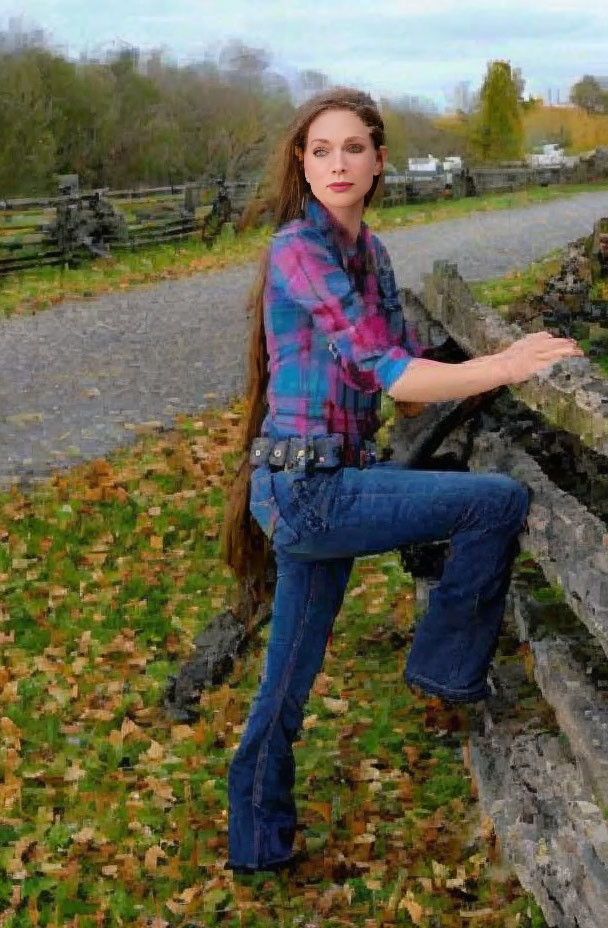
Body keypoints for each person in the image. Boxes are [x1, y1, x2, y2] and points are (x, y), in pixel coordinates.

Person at [219, 87, 584, 875]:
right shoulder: (297, 250)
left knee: (285, 685)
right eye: (321, 150)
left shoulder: (369, 254)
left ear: (381, 160)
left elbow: (406, 376)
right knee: (499, 502)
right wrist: (505, 363)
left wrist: (487, 363)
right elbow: (387, 371)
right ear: (301, 163)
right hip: (309, 492)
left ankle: (255, 845)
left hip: (327, 483)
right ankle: (444, 670)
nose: (338, 163)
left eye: (354, 148)